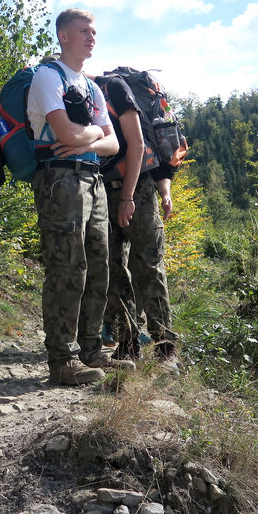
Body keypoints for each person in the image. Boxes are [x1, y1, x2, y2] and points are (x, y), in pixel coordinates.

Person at [27, 8, 133, 385]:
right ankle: (62, 359)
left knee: (99, 265)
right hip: (60, 181)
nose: (92, 37)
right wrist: (91, 134)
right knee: (68, 267)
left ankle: (91, 351)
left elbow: (114, 143)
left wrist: (83, 134)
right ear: (63, 36)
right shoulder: (47, 77)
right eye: (83, 31)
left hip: (93, 181)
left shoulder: (91, 87)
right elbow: (66, 134)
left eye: (94, 31)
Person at [98, 73, 180, 368]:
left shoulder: (113, 89)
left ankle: (165, 348)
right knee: (113, 267)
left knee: (147, 265)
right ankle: (126, 345)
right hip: (102, 189)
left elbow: (140, 143)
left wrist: (131, 196)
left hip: (137, 188)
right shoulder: (71, 93)